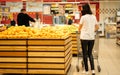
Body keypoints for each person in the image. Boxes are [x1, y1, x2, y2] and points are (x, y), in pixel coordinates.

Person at [78, 3, 99, 75]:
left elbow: (79, 28)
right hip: (91, 38)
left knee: (85, 54)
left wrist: (81, 30)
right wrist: (91, 31)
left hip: (84, 38)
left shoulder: (83, 17)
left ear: (84, 9)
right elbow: (97, 27)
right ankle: (93, 70)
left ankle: (86, 71)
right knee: (90, 53)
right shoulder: (93, 17)